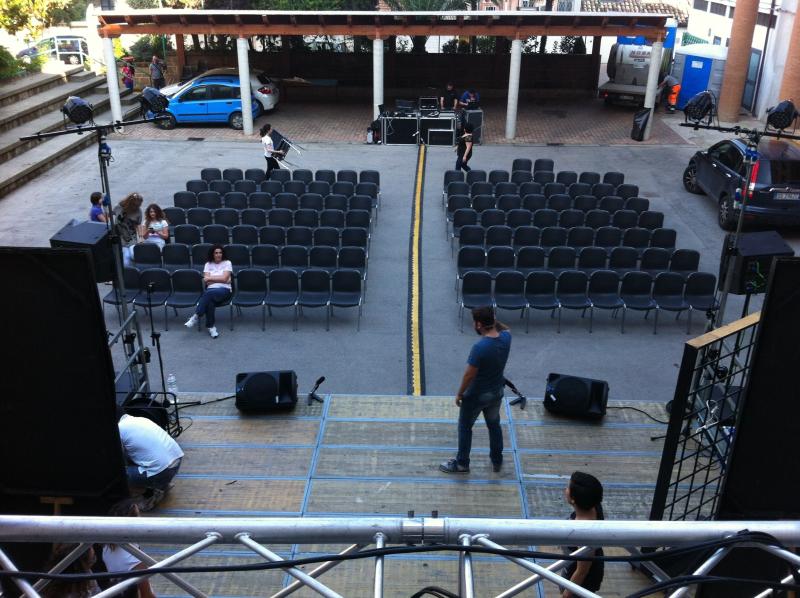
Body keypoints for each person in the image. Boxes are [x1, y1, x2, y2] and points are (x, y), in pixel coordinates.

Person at [440, 306, 511, 474]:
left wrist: (459, 393)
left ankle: (462, 463)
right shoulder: (507, 338)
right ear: (493, 320)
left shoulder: (480, 348)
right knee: (494, 425)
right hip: (496, 392)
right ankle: (497, 460)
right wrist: (491, 321)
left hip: (477, 395)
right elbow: (505, 328)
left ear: (478, 324)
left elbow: (469, 375)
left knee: (465, 427)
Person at [117, 406, 183, 512]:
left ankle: (151, 495)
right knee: (136, 455)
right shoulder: (140, 419)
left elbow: (118, 459)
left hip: (162, 472)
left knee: (118, 474)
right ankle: (162, 484)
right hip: (176, 461)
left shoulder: (119, 429)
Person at [561, 472, 605, 597]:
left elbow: (582, 570)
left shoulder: (584, 531)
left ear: (574, 499)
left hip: (579, 580)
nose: (566, 489)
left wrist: (567, 594)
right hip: (583, 565)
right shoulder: (593, 504)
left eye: (568, 488)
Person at [102, 498, 157, 598]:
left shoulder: (107, 546)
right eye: (137, 515)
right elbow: (146, 595)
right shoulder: (134, 560)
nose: (141, 518)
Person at [184, 244, 232, 338]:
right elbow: (207, 282)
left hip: (224, 290)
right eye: (216, 253)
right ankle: (211, 327)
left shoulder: (227, 263)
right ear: (212, 254)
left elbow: (224, 279)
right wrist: (221, 278)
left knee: (208, 294)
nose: (218, 255)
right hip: (211, 290)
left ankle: (196, 316)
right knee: (210, 302)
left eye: (220, 253)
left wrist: (211, 278)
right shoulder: (208, 264)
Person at [113, 192, 143, 268]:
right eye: (135, 205)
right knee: (126, 259)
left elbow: (138, 225)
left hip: (131, 237)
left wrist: (141, 237)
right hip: (120, 237)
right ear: (130, 203)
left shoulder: (138, 211)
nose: (137, 207)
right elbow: (109, 214)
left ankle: (134, 271)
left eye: (139, 205)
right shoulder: (118, 207)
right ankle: (129, 274)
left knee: (133, 254)